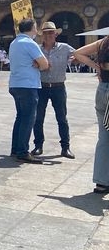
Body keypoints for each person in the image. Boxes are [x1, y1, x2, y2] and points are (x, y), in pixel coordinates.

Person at [31, 22, 76, 159]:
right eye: (45, 33)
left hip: (58, 87)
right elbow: (30, 64)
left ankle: (65, 147)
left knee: (62, 118)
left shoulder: (65, 48)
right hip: (42, 87)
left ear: (56, 34)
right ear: (42, 35)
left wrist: (75, 59)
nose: (48, 35)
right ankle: (38, 145)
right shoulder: (37, 49)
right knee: (38, 118)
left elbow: (78, 55)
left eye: (51, 32)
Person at [8, 19, 49, 163]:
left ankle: (15, 148)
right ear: (32, 29)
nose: (37, 31)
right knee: (28, 118)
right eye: (36, 28)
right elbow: (45, 65)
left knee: (20, 117)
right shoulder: (29, 43)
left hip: (15, 84)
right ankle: (22, 151)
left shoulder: (14, 43)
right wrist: (38, 64)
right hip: (28, 85)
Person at [73, 35, 109, 193]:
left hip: (102, 91)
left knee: (104, 138)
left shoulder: (104, 42)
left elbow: (78, 53)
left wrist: (97, 67)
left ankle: (101, 181)